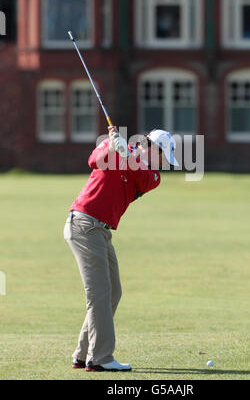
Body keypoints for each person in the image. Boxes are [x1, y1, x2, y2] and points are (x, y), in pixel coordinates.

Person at [64, 126, 179, 372]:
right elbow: (93, 160)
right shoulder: (116, 148)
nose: (164, 164)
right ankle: (101, 358)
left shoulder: (153, 176)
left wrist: (128, 157)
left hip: (102, 231)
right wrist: (111, 147)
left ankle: (83, 354)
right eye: (163, 157)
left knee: (113, 292)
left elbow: (144, 179)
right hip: (84, 224)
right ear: (151, 147)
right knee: (100, 294)